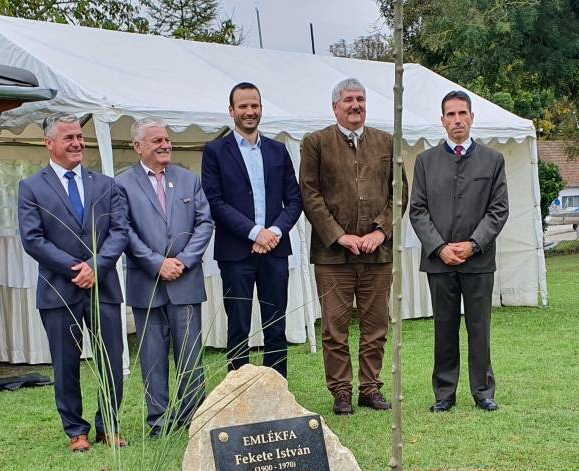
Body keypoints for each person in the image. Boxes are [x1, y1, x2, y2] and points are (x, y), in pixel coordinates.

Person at [18, 113, 128, 453]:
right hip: (58, 291)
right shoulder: (31, 187)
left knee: (111, 359)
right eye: (69, 138)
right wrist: (75, 268)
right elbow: (33, 239)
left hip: (103, 287)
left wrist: (96, 266)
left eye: (80, 137)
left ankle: (108, 426)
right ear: (49, 144)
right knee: (65, 363)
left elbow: (119, 232)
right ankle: (76, 431)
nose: (78, 143)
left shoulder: (106, 185)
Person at [300, 78, 403, 415]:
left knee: (376, 326)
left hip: (377, 255)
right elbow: (309, 194)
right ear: (335, 107)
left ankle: (370, 389)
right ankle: (341, 391)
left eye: (360, 99)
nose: (355, 105)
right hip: (333, 256)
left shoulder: (386, 142)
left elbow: (399, 194)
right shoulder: (315, 143)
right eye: (348, 100)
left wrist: (380, 232)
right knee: (334, 328)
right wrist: (338, 234)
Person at [410, 90, 509, 413]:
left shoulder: (492, 160)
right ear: (442, 121)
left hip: (478, 260)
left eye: (462, 113)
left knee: (479, 327)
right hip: (440, 262)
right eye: (450, 115)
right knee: (444, 327)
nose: (457, 120)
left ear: (471, 118)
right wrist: (439, 247)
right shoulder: (425, 162)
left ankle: (483, 391)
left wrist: (473, 244)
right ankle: (444, 392)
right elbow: (418, 210)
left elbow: (498, 210)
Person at [116, 118, 213, 437]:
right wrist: (157, 263)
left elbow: (204, 224)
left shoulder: (188, 180)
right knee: (152, 357)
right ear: (137, 146)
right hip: (147, 283)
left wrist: (183, 261)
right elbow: (123, 231)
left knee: (190, 355)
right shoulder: (122, 184)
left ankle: (193, 416)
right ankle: (158, 421)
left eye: (167, 139)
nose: (165, 144)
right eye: (156, 140)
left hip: (185, 282)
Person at [201, 82, 303, 377]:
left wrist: (273, 232)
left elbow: (294, 200)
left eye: (254, 105)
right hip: (236, 253)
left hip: (275, 250)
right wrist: (254, 232)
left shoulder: (277, 150)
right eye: (243, 106)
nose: (249, 111)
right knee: (238, 328)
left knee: (275, 326)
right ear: (231, 111)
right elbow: (215, 201)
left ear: (261, 109)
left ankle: (277, 391)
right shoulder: (215, 152)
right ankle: (239, 395)